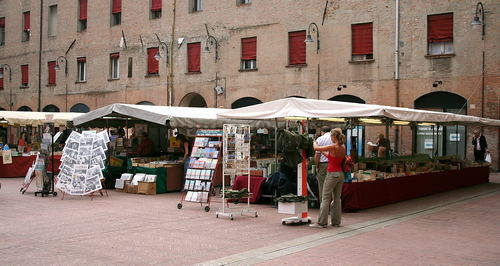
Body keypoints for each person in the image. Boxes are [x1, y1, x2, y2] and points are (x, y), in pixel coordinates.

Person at [310, 129, 346, 228]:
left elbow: (316, 148)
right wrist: (323, 152)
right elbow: (331, 157)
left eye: (331, 136)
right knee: (337, 198)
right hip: (340, 174)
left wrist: (314, 141)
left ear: (334, 137)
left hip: (332, 174)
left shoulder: (333, 146)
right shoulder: (342, 146)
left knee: (325, 197)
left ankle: (322, 222)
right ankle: (336, 221)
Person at [314, 126, 332, 205]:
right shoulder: (334, 139)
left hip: (323, 165)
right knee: (332, 186)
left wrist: (317, 166)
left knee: (322, 186)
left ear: (322, 131)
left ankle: (324, 206)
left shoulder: (320, 139)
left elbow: (317, 155)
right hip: (334, 164)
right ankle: (333, 206)